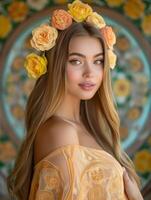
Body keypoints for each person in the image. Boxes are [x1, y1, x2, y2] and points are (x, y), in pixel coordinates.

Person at [7, 0, 144, 200]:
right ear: (55, 65)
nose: (90, 73)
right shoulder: (61, 132)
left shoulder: (94, 128)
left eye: (98, 61)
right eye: (76, 61)